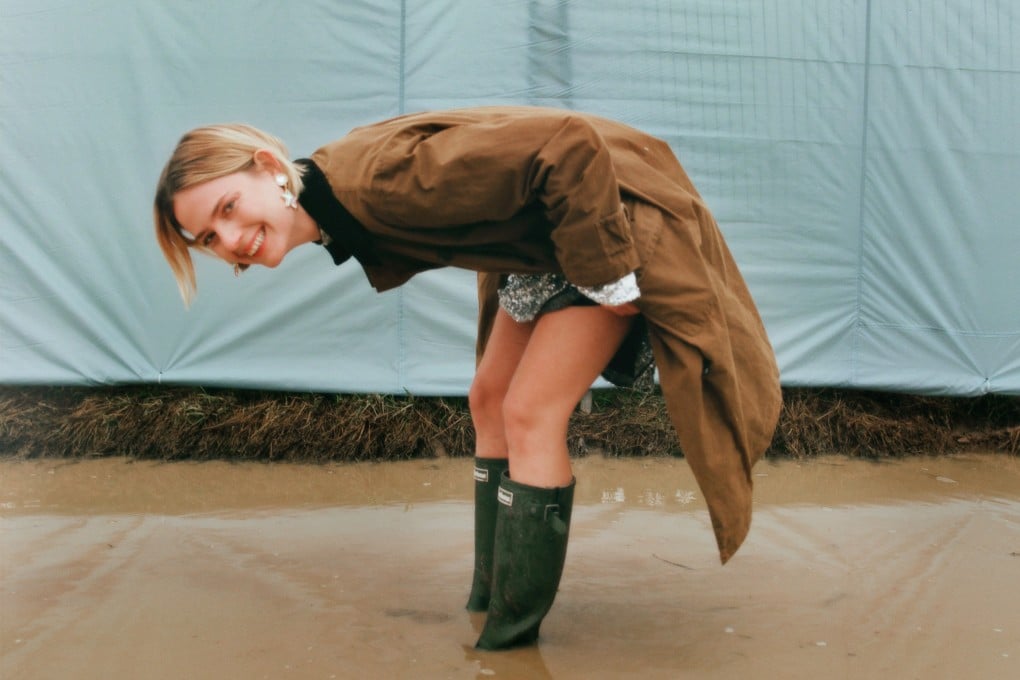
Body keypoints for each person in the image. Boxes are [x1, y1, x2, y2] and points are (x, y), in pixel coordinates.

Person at [153, 106, 782, 650]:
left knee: (531, 413)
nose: (230, 239)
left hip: (606, 220)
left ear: (267, 165)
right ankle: (488, 596)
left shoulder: (379, 184)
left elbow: (567, 144)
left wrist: (608, 274)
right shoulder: (338, 191)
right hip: (550, 243)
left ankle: (508, 642)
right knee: (490, 398)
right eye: (209, 236)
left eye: (228, 207)